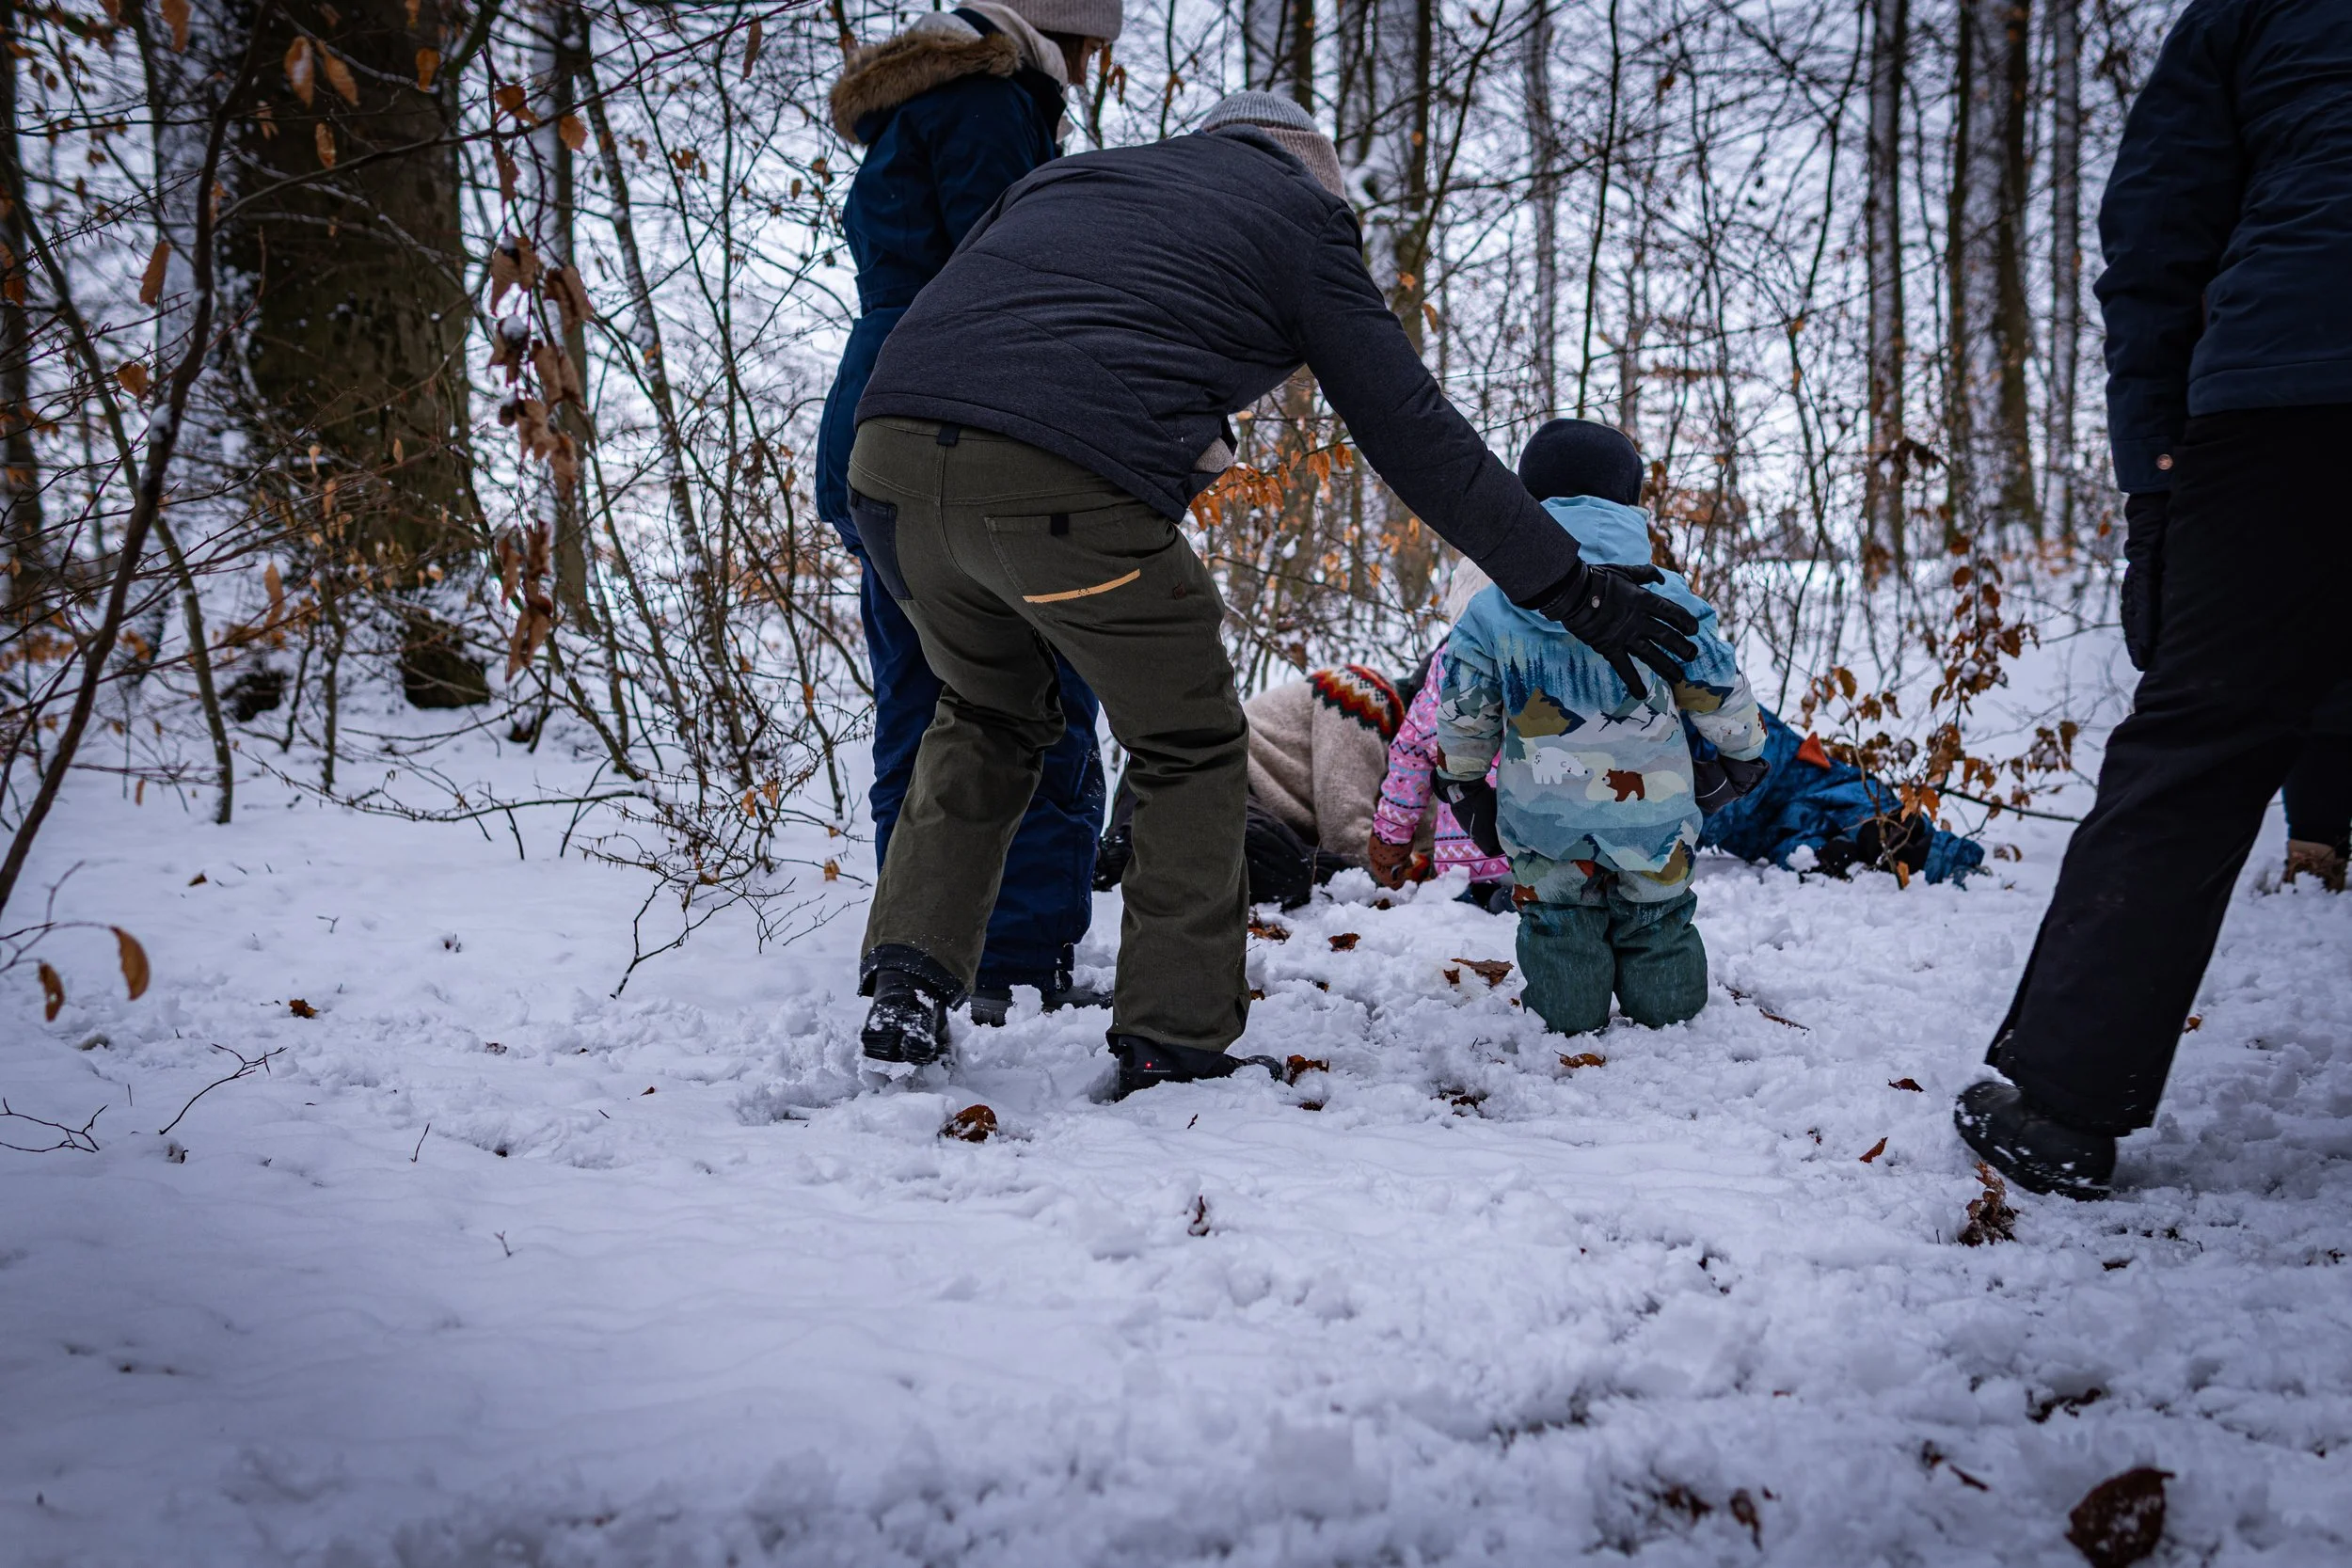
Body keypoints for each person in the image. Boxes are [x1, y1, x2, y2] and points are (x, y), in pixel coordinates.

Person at [842, 94, 1701, 1094]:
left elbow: (1022, 324)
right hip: (1057, 475)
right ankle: (1172, 1031)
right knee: (1192, 737)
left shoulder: (1076, 177)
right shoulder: (1298, 219)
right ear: (1316, 175)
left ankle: (909, 975)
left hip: (890, 461)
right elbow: (1414, 433)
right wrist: (1568, 586)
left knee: (985, 706)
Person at [1955, 0, 2352, 1198]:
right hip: (2291, 362)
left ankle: (2067, 1102)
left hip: (2284, 394)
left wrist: (2156, 483)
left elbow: (2157, 234)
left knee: (2203, 731)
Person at [815, 0, 1122, 1029]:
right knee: (1032, 692)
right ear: (1064, 32)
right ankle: (1016, 952)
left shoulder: (912, 109)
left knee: (917, 697)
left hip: (876, 422)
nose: (1090, 71)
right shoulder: (993, 106)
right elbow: (1018, 292)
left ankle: (914, 956)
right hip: (978, 421)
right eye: (1092, 48)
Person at [1432, 420, 1770, 1036]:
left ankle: (1567, 1010)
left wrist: (1461, 782)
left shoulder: (1492, 609)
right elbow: (1717, 685)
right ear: (1631, 502)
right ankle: (1667, 1010)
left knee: (1557, 923)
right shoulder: (1670, 596)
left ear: (1525, 500)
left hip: (1543, 820)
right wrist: (1742, 753)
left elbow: (1464, 710)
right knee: (1660, 918)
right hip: (1655, 817)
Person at [1095, 663, 1406, 911]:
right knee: (1288, 863)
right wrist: (1408, 870)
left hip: (1224, 804)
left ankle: (1131, 856)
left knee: (1305, 867)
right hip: (1195, 778)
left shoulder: (1414, 764)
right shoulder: (1363, 694)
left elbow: (1413, 844)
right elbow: (1347, 835)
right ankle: (1110, 859)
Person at [1368, 566, 1518, 913]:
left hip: (1458, 861)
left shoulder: (1445, 666)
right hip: (1527, 851)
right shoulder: (1538, 658)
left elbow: (1411, 753)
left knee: (1455, 920)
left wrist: (1390, 836)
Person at [1696, 708, 1985, 886]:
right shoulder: (1883, 807)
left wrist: (1824, 856)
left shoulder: (1862, 862)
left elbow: (1789, 850)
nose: (1899, 846)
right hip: (1767, 760)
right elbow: (1831, 800)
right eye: (1908, 842)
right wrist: (1868, 830)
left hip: (1731, 806)